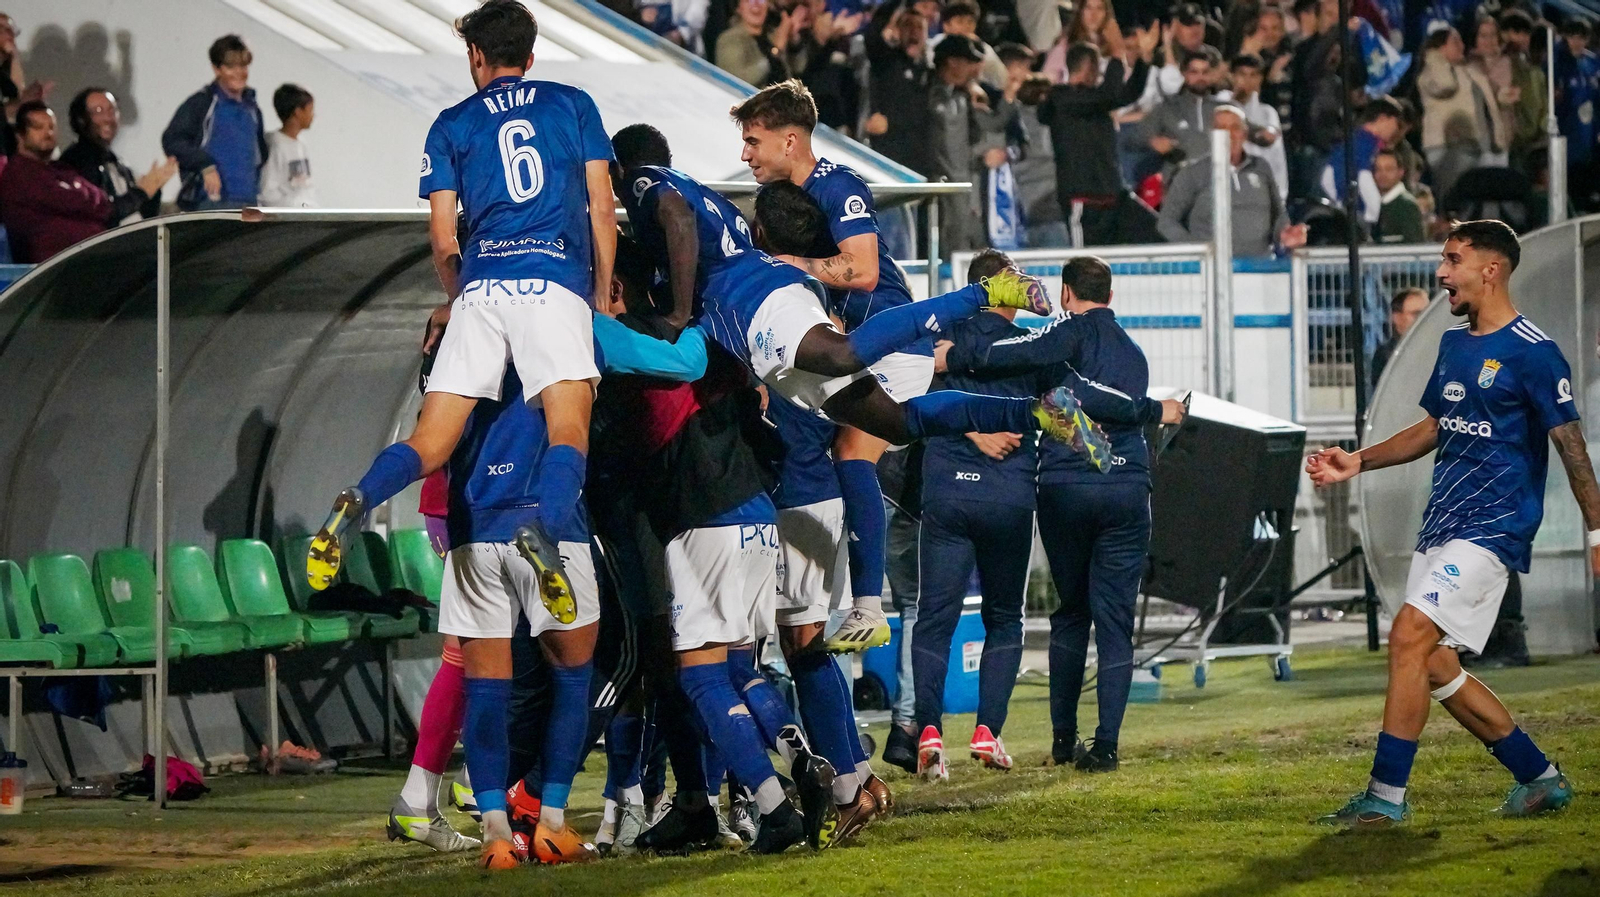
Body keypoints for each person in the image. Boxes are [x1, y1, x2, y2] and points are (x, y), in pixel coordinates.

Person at [303, 2, 618, 869]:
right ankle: (548, 532)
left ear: (478, 55)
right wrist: (597, 293)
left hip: (482, 288)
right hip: (554, 279)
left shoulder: (450, 123)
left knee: (432, 438)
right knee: (568, 423)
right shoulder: (573, 106)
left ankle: (354, 502)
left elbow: (444, 234)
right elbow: (598, 204)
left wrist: (460, 286)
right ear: (532, 48)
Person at [1307, 219, 1586, 826]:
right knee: (1433, 662)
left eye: (1452, 260)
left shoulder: (1535, 352)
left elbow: (1571, 446)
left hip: (1495, 526)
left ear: (1490, 269)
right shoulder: (1456, 345)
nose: (1441, 273)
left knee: (1408, 634)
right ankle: (1539, 778)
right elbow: (1435, 427)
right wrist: (1357, 460)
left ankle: (1384, 800)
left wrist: (1597, 532)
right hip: (1444, 524)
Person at [938, 255, 1183, 773]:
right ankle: (1107, 746)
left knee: (1071, 613)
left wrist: (953, 357)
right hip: (1126, 489)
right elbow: (1108, 408)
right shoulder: (1133, 354)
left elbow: (1014, 361)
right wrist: (1148, 415)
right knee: (1114, 621)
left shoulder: (1059, 339)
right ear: (1110, 297)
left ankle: (1063, 740)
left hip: (1068, 488)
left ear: (1067, 294)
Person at [1037, 35, 1158, 246]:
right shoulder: (1061, 99)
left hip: (1114, 197)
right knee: (1087, 265)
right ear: (1089, 66)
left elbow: (1125, 95)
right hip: (1084, 202)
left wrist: (1144, 60)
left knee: (1157, 235)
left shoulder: (1095, 100)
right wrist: (1117, 57)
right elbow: (1110, 94)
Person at [1158, 105, 1305, 257]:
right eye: (1221, 128)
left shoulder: (1261, 167)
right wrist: (1198, 251)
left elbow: (1278, 216)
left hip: (1259, 268)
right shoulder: (1192, 173)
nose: (1229, 134)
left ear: (1244, 133)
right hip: (1210, 271)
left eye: (1235, 127)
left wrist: (1285, 234)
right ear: (1211, 134)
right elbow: (1167, 222)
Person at [162, 35, 269, 210]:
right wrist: (206, 166)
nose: (238, 72)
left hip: (248, 202)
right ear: (216, 69)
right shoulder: (202, 103)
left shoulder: (253, 109)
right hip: (209, 201)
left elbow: (260, 155)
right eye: (230, 66)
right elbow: (172, 140)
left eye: (243, 65)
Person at [0, 102, 109, 263]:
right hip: (46, 271)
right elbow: (69, 201)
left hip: (85, 261)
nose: (48, 133)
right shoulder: (19, 174)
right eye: (38, 127)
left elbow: (103, 202)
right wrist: (83, 199)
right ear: (20, 135)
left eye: (51, 127)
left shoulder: (60, 169)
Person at [60, 88, 177, 228]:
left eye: (112, 110)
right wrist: (141, 192)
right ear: (80, 120)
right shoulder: (75, 162)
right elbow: (99, 212)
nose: (108, 118)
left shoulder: (119, 164)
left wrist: (153, 190)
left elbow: (137, 218)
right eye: (98, 111)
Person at [1418, 24, 1508, 204]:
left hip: (1483, 148)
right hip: (1448, 149)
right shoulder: (1431, 73)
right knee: (1457, 201)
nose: (1461, 46)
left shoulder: (1470, 71)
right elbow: (1445, 85)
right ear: (1440, 47)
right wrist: (1435, 56)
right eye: (1454, 42)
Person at [863, 2, 933, 176]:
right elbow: (873, 32)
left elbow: (925, 111)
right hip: (886, 156)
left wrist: (892, 122)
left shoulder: (932, 72)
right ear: (898, 31)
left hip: (919, 163)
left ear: (926, 34)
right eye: (907, 25)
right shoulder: (886, 61)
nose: (913, 31)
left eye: (919, 27)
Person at [1320, 96, 1404, 231]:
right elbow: (1363, 177)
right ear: (1383, 118)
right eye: (1396, 123)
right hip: (1358, 216)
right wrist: (1373, 210)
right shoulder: (1364, 143)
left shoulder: (1353, 139)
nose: (1396, 130)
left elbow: (1327, 177)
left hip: (1345, 212)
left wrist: (1337, 203)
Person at [1146, 45, 1222, 167]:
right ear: (1184, 73)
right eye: (1194, 72)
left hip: (1217, 173)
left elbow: (1250, 130)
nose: (1200, 78)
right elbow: (1137, 138)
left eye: (1205, 72)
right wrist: (1154, 142)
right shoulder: (1167, 107)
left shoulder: (1224, 108)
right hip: (1177, 174)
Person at [1226, 53, 1287, 201]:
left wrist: (1280, 196)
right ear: (1232, 76)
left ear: (1260, 79)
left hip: (1258, 190)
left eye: (1253, 75)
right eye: (1242, 74)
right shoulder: (1220, 106)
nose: (1247, 80)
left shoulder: (1268, 113)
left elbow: (1277, 158)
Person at [258, 83, 316, 208]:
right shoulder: (275, 144)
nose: (313, 115)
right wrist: (293, 209)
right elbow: (267, 192)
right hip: (286, 219)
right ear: (298, 112)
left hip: (305, 216)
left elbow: (306, 186)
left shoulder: (302, 144)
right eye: (310, 110)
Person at [1369, 286, 1428, 388]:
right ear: (1397, 318)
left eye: (1427, 313)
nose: (1423, 318)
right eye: (1417, 313)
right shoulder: (1387, 356)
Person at [1371, 149, 1426, 245]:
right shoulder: (1375, 203)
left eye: (1389, 169)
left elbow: (1414, 245)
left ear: (1400, 172)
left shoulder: (1407, 206)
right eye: (1378, 169)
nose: (1382, 174)